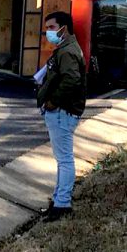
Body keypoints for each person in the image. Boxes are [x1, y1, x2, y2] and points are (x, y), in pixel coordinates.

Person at [36, 11, 87, 222]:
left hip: (62, 112)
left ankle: (62, 204)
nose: (47, 32)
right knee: (61, 159)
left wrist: (53, 101)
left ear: (63, 28)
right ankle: (58, 200)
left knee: (64, 160)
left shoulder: (67, 52)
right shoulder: (67, 49)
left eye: (51, 27)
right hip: (63, 111)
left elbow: (71, 80)